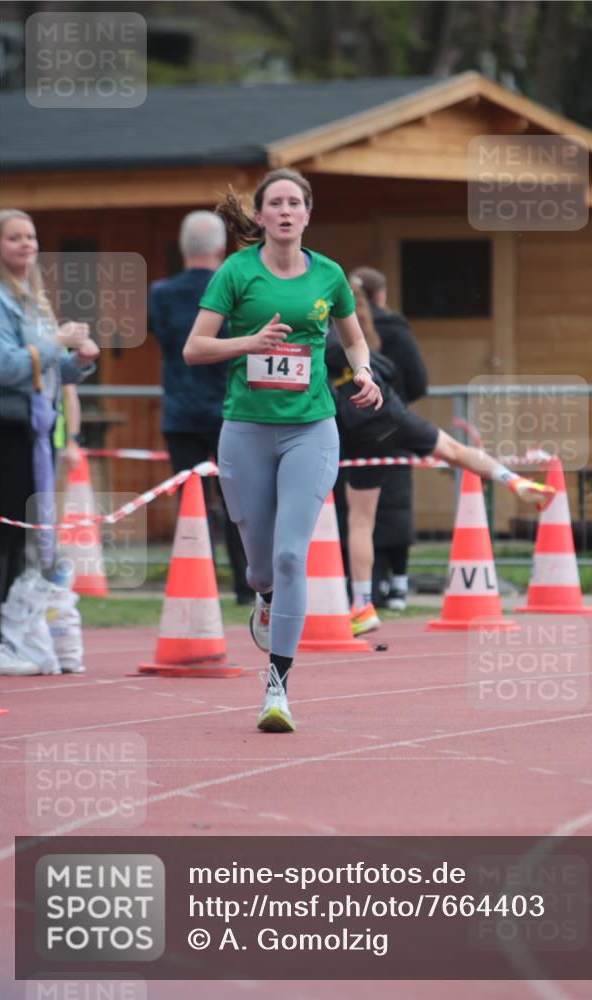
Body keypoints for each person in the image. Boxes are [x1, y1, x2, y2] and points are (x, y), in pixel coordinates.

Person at [183, 168, 382, 733]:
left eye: (297, 202)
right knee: (262, 564)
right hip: (245, 429)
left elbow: (353, 335)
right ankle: (264, 595)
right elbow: (194, 348)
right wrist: (249, 342)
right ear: (262, 215)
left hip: (311, 427)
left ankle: (277, 687)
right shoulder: (237, 271)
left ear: (307, 214)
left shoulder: (330, 275)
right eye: (277, 203)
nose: (287, 211)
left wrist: (363, 371)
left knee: (295, 555)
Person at [325, 282, 555, 636]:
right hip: (394, 414)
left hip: (362, 432)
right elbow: (393, 372)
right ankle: (513, 478)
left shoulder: (321, 340)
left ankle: (362, 604)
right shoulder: (365, 340)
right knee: (456, 451)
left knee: (360, 522)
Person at [0, 208, 99, 666]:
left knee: (22, 539)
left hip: (36, 434)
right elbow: (6, 367)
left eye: (31, 237)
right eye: (14, 238)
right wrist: (56, 343)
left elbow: (50, 371)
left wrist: (80, 357)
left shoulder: (33, 296)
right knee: (3, 537)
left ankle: (11, 634)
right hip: (5, 431)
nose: (26, 245)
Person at [148, 211, 254, 605]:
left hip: (179, 411)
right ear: (221, 249)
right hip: (230, 411)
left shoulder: (160, 293)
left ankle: (198, 581)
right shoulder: (236, 288)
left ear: (182, 248)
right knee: (237, 503)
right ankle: (247, 586)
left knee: (191, 504)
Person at [350, 266, 427, 611]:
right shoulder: (395, 328)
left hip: (350, 423)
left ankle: (363, 587)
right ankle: (397, 584)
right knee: (395, 504)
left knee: (356, 512)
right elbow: (418, 379)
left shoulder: (339, 328)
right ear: (380, 294)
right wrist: (395, 400)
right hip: (391, 423)